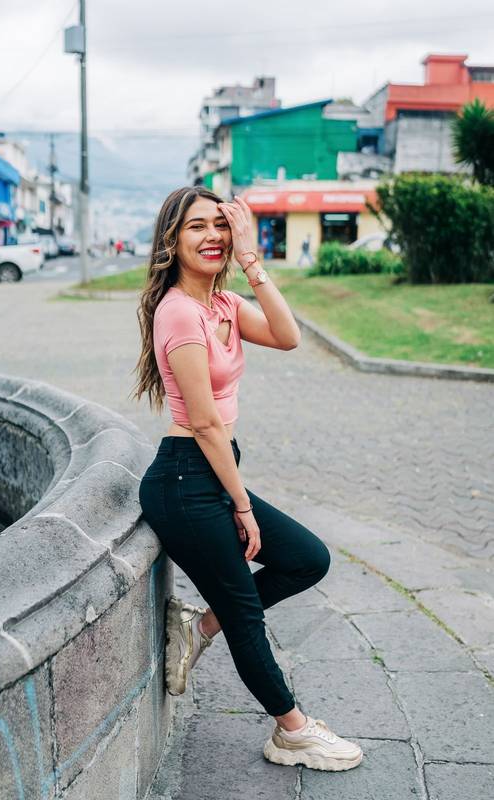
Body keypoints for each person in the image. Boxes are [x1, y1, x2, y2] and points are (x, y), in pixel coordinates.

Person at [133, 186, 363, 772]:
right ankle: (292, 731)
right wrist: (241, 503)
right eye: (195, 227)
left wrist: (254, 261)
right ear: (171, 241)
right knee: (247, 613)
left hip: (210, 471)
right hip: (187, 480)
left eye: (220, 224)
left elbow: (288, 336)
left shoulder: (224, 304)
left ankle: (199, 625)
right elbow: (205, 421)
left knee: (307, 558)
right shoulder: (178, 310)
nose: (211, 236)